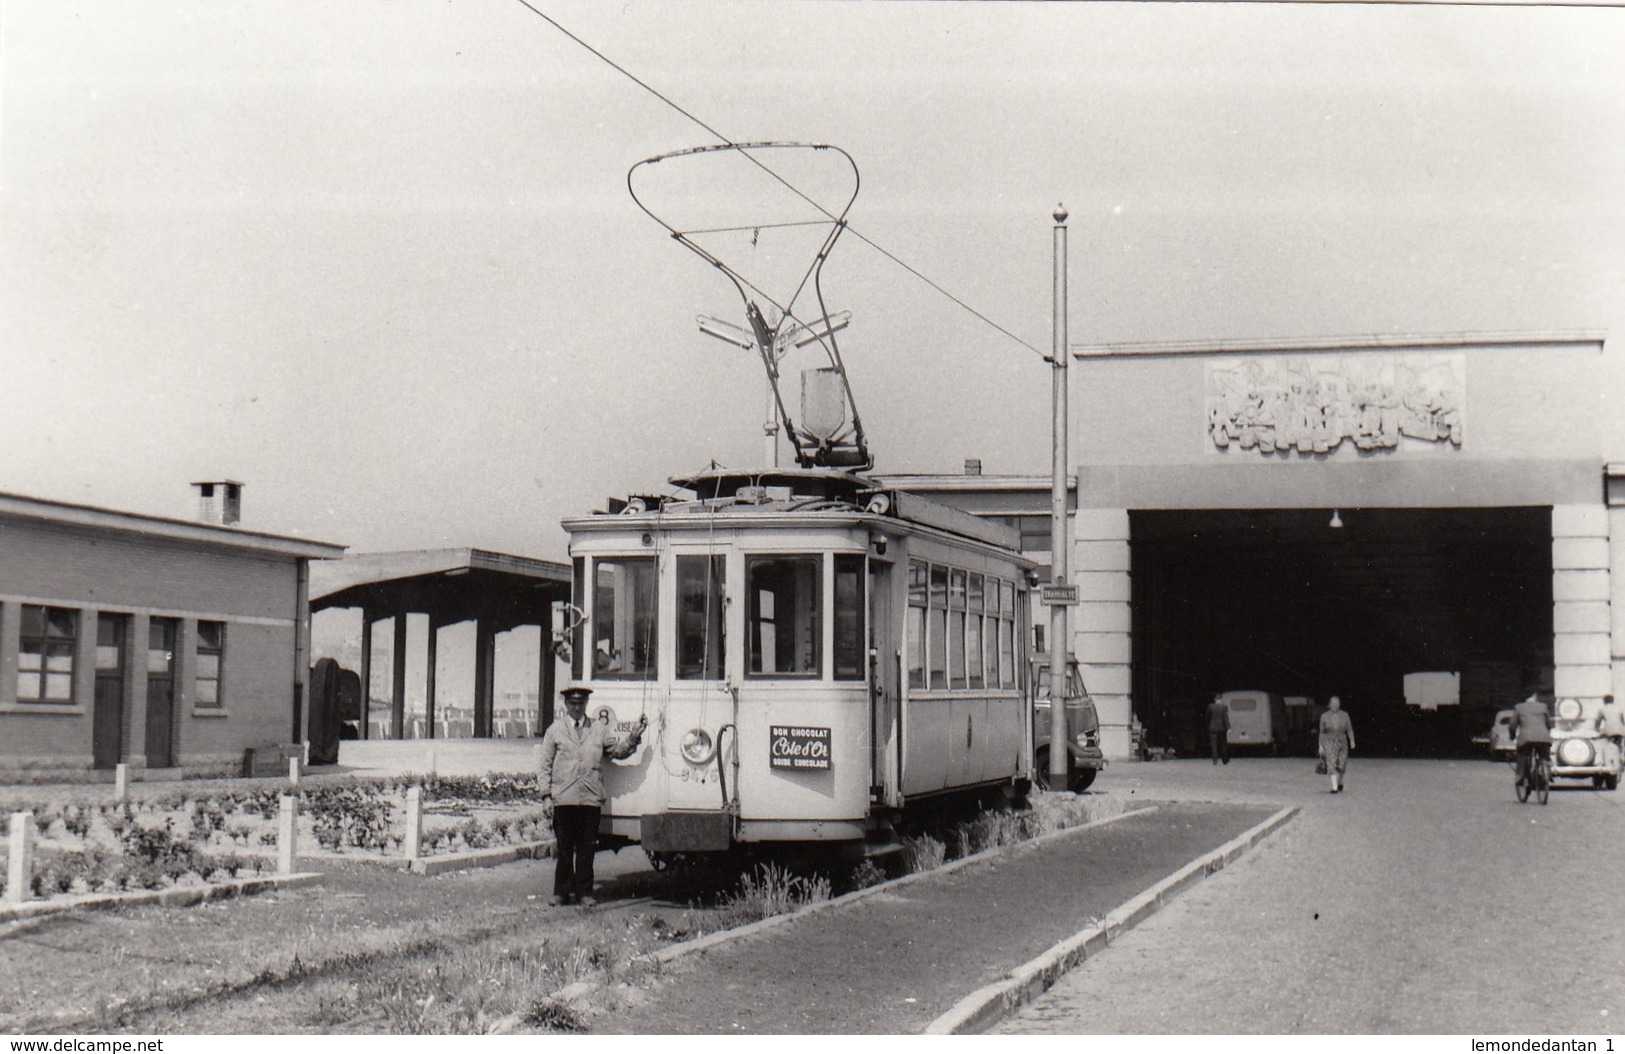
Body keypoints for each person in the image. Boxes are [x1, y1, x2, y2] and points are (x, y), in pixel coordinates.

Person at [538, 684, 646, 907]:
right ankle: (561, 892)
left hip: (590, 798)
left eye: (581, 703)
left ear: (586, 704)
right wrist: (546, 796)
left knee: (587, 849)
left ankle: (585, 893)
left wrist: (635, 735)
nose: (577, 708)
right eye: (573, 703)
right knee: (565, 847)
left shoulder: (598, 729)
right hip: (564, 798)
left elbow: (617, 751)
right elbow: (544, 766)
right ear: (566, 705)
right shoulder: (555, 730)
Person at [1509, 693, 1552, 791]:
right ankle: (1547, 772)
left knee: (1522, 755)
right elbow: (1548, 723)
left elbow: (1512, 725)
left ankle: (1520, 777)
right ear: (1535, 697)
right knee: (1545, 756)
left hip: (1526, 739)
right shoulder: (1543, 706)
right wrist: (1547, 731)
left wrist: (1512, 736)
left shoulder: (1519, 707)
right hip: (1543, 737)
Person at [1318, 695, 1355, 793]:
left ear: (1339, 704)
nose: (1335, 705)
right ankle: (1334, 787)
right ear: (1329, 705)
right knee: (1332, 763)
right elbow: (1321, 732)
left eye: (1337, 703)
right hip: (1329, 742)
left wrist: (1352, 741)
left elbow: (1349, 729)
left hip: (1342, 742)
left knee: (1342, 764)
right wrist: (1320, 745)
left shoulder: (1345, 715)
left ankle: (1340, 781)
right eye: (1333, 703)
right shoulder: (1324, 716)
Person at [1206, 694, 1231, 766]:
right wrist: (1228, 727)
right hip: (1222, 728)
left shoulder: (1210, 706)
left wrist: (1208, 725)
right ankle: (1225, 760)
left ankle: (1215, 760)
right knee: (1223, 744)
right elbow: (1225, 717)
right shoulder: (1224, 707)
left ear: (1215, 699)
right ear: (1221, 699)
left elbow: (1207, 717)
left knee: (1214, 745)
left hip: (1212, 728)